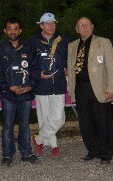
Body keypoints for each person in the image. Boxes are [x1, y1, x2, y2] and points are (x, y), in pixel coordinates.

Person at [67, 17, 113, 164]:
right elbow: (70, 69)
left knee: (103, 122)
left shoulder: (104, 42)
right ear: (77, 29)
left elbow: (111, 67)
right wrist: (72, 91)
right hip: (81, 88)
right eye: (81, 25)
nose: (85, 28)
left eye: (87, 25)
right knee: (86, 123)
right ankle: (92, 150)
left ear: (92, 27)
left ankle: (106, 154)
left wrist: (110, 88)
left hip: (99, 89)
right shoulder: (72, 45)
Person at [0, 17, 40, 167]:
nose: (12, 32)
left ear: (20, 31)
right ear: (5, 31)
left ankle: (26, 153)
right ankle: (7, 155)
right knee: (7, 126)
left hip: (25, 94)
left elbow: (35, 69)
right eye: (9, 28)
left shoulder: (29, 48)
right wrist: (8, 87)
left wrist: (31, 85)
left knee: (24, 125)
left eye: (15, 29)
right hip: (8, 95)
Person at [28, 13, 71, 158]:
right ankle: (54, 146)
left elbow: (70, 57)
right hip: (41, 85)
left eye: (53, 23)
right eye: (47, 24)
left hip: (58, 84)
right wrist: (37, 73)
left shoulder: (64, 39)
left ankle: (38, 139)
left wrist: (67, 66)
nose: (51, 26)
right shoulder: (33, 41)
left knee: (59, 118)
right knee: (44, 117)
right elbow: (28, 62)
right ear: (41, 25)